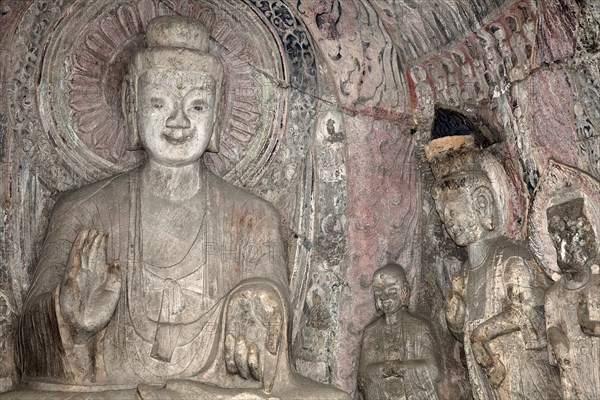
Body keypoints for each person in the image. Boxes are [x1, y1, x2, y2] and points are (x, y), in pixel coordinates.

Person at [12, 15, 348, 400]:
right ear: (131, 107)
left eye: (198, 106)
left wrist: (259, 305)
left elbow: (273, 339)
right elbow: (26, 344)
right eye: (158, 102)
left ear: (218, 115)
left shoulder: (256, 216)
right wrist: (67, 320)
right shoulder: (82, 210)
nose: (178, 121)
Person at [425, 136, 560, 399]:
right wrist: (456, 320)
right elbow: (465, 327)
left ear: (481, 204)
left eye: (452, 212)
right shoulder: (464, 274)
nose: (448, 223)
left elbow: (530, 313)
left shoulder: (511, 257)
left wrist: (481, 334)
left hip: (523, 370)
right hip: (487, 375)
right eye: (443, 217)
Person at [358, 263, 441, 400]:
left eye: (391, 291)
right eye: (378, 291)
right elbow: (362, 375)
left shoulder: (419, 327)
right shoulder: (371, 331)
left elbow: (434, 371)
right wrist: (383, 369)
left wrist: (402, 367)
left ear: (404, 292)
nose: (384, 297)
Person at [545, 198, 600, 400]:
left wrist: (594, 327)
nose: (565, 246)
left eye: (572, 236)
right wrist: (556, 337)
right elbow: (552, 327)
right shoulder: (553, 295)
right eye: (557, 238)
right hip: (575, 374)